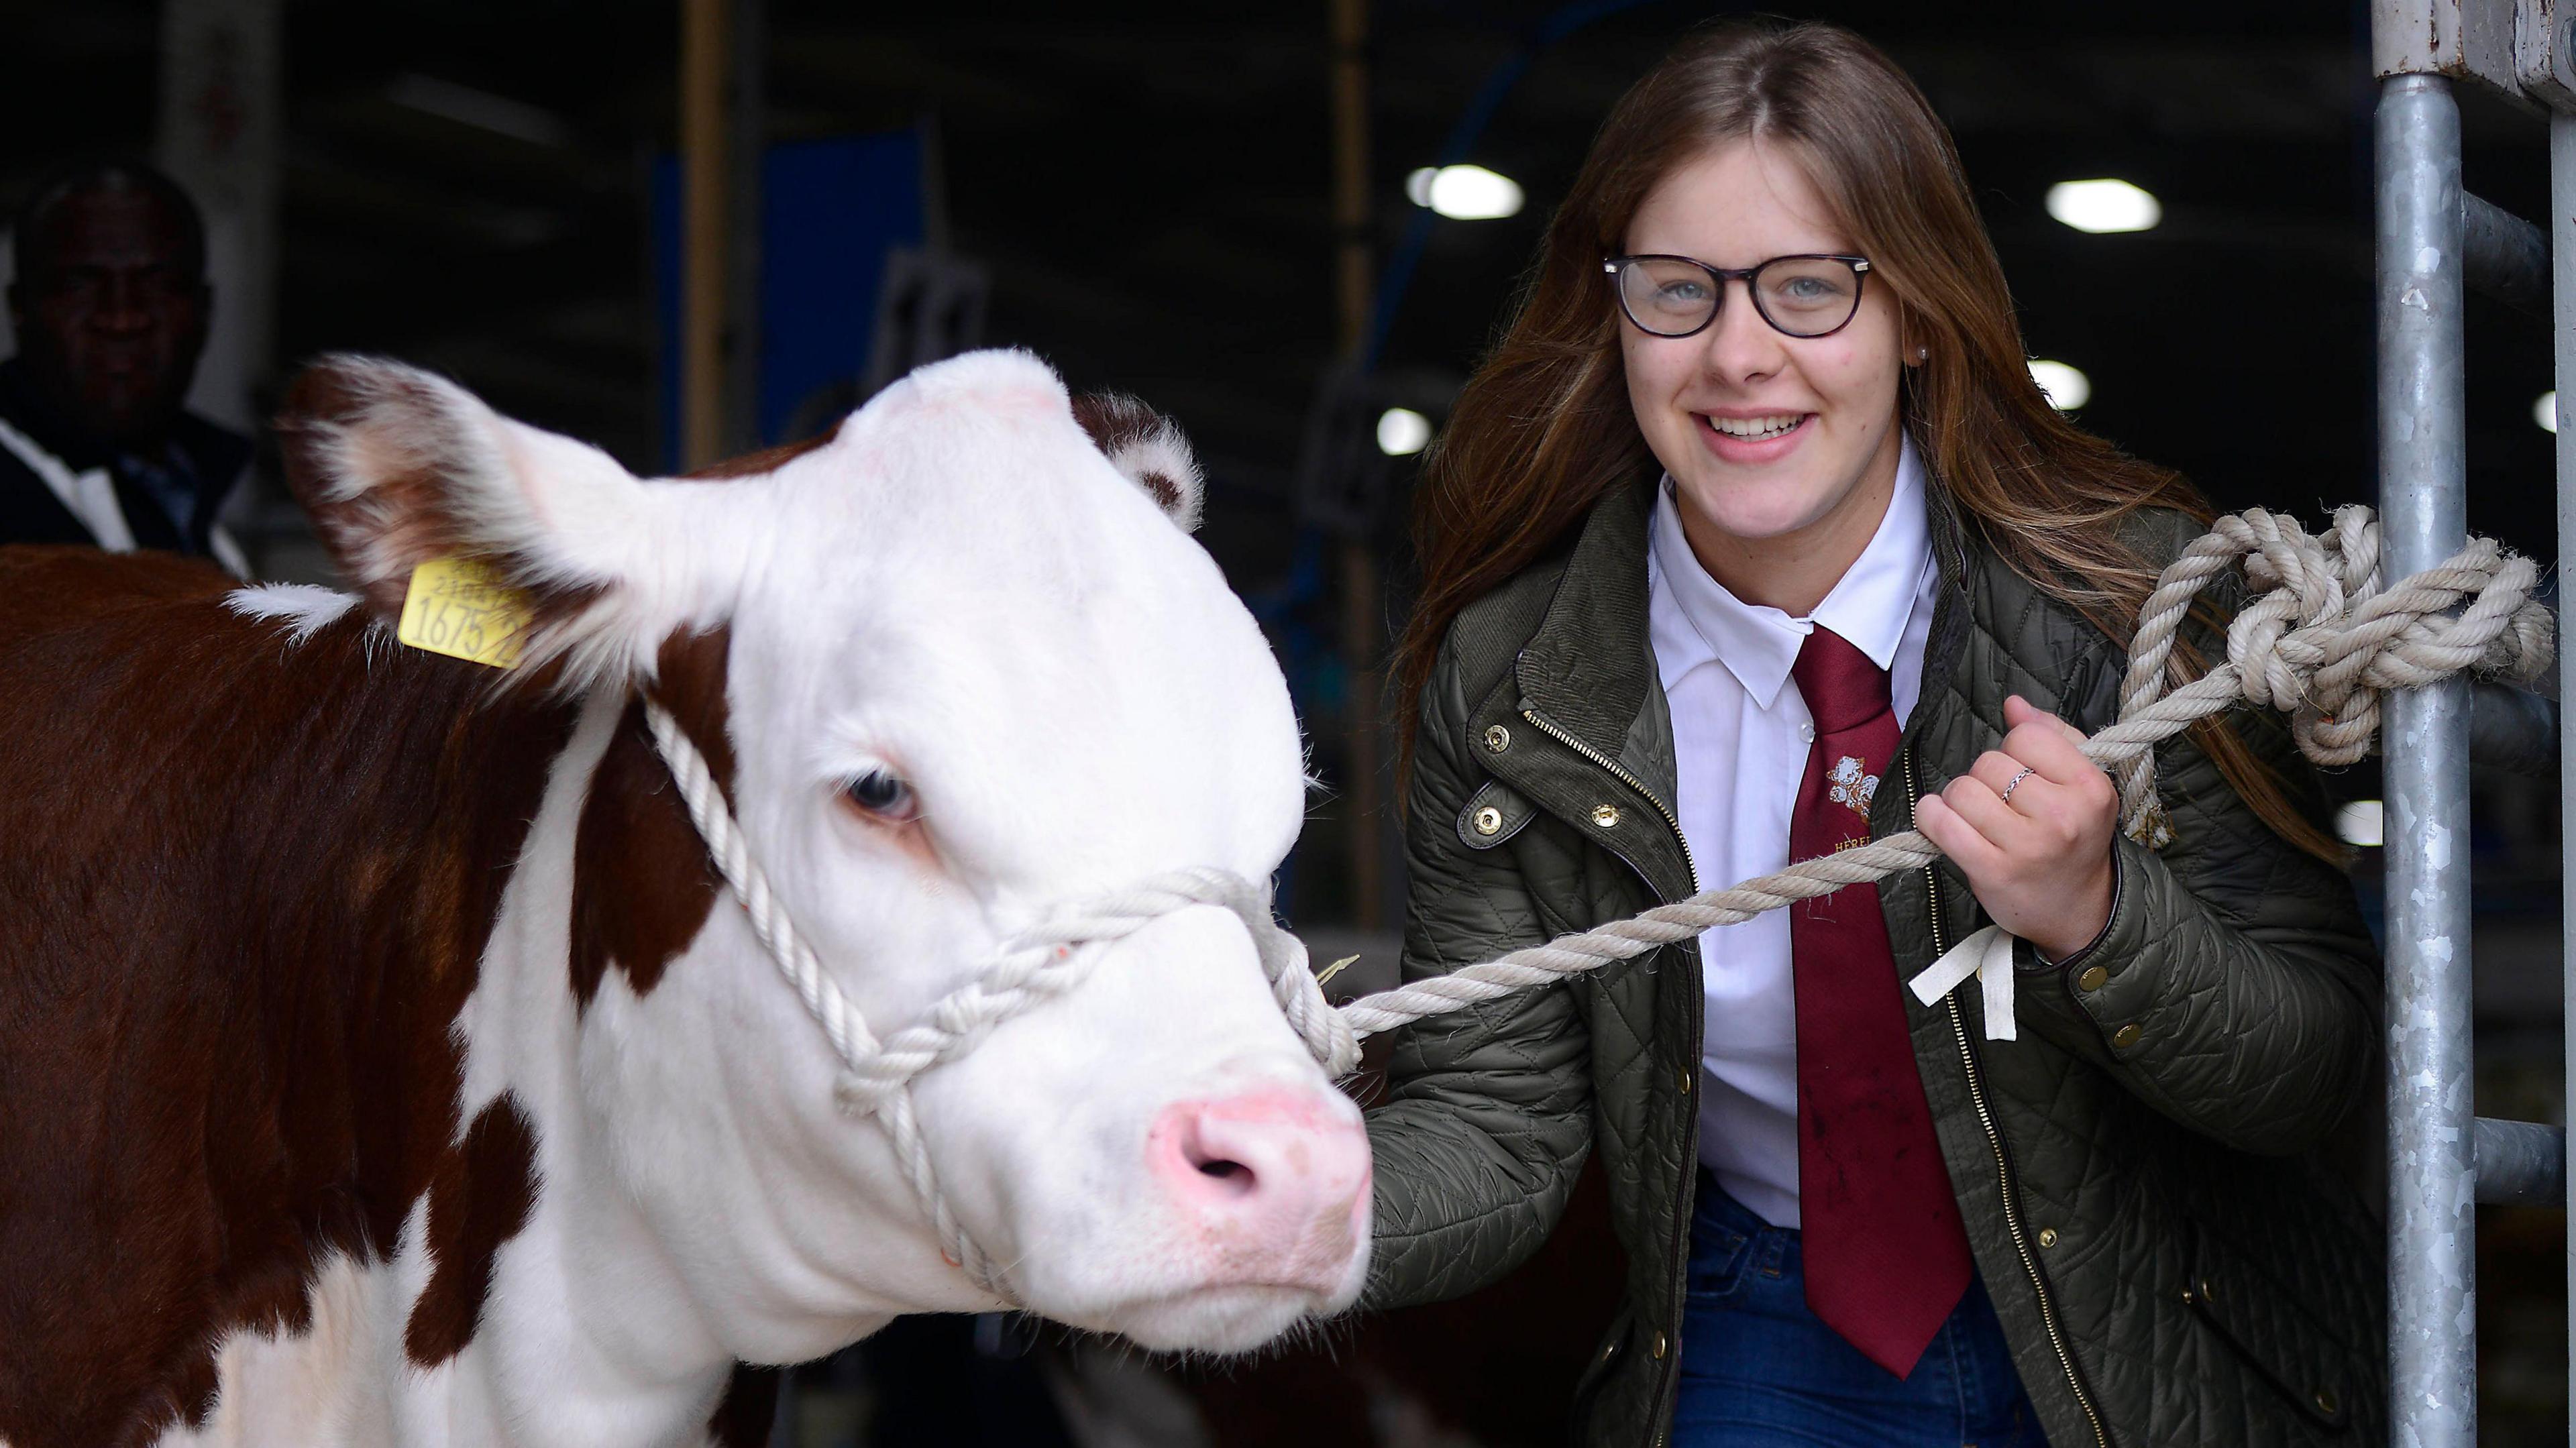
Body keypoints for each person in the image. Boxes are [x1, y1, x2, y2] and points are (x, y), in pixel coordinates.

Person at [1362, 21, 2383, 1448]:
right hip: (1768, 1314)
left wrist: (2100, 918)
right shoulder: (1517, 678)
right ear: (1615, 314)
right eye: (1677, 290)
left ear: (1913, 311)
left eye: (1806, 288)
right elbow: (1494, 1121)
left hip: (2154, 1302)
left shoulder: (2127, 604)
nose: (1737, 355)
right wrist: (1224, 1207)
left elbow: (2321, 1067)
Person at [1, 160, 249, 571]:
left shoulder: (191, 494)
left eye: (158, 284)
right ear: (19, 309)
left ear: (204, 312)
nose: (122, 317)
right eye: (79, 285)